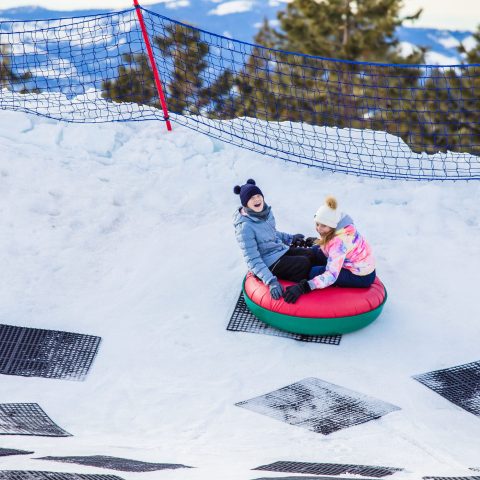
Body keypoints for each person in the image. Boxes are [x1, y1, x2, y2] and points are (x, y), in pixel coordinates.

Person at [284, 196, 376, 304]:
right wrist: (317, 243)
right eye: (317, 224)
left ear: (332, 226)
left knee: (314, 272)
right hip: (350, 260)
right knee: (314, 251)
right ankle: (284, 255)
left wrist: (304, 287)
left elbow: (331, 275)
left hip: (361, 276)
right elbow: (331, 244)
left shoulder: (339, 242)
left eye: (323, 226)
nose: (318, 228)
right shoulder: (339, 222)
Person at [233, 179, 314, 300]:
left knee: (310, 254)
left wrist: (290, 238)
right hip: (268, 262)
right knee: (303, 264)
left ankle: (322, 275)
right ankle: (308, 284)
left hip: (278, 251)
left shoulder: (265, 212)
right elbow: (252, 259)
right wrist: (271, 281)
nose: (257, 200)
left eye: (258, 196)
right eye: (252, 198)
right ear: (245, 203)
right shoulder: (245, 228)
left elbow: (272, 233)